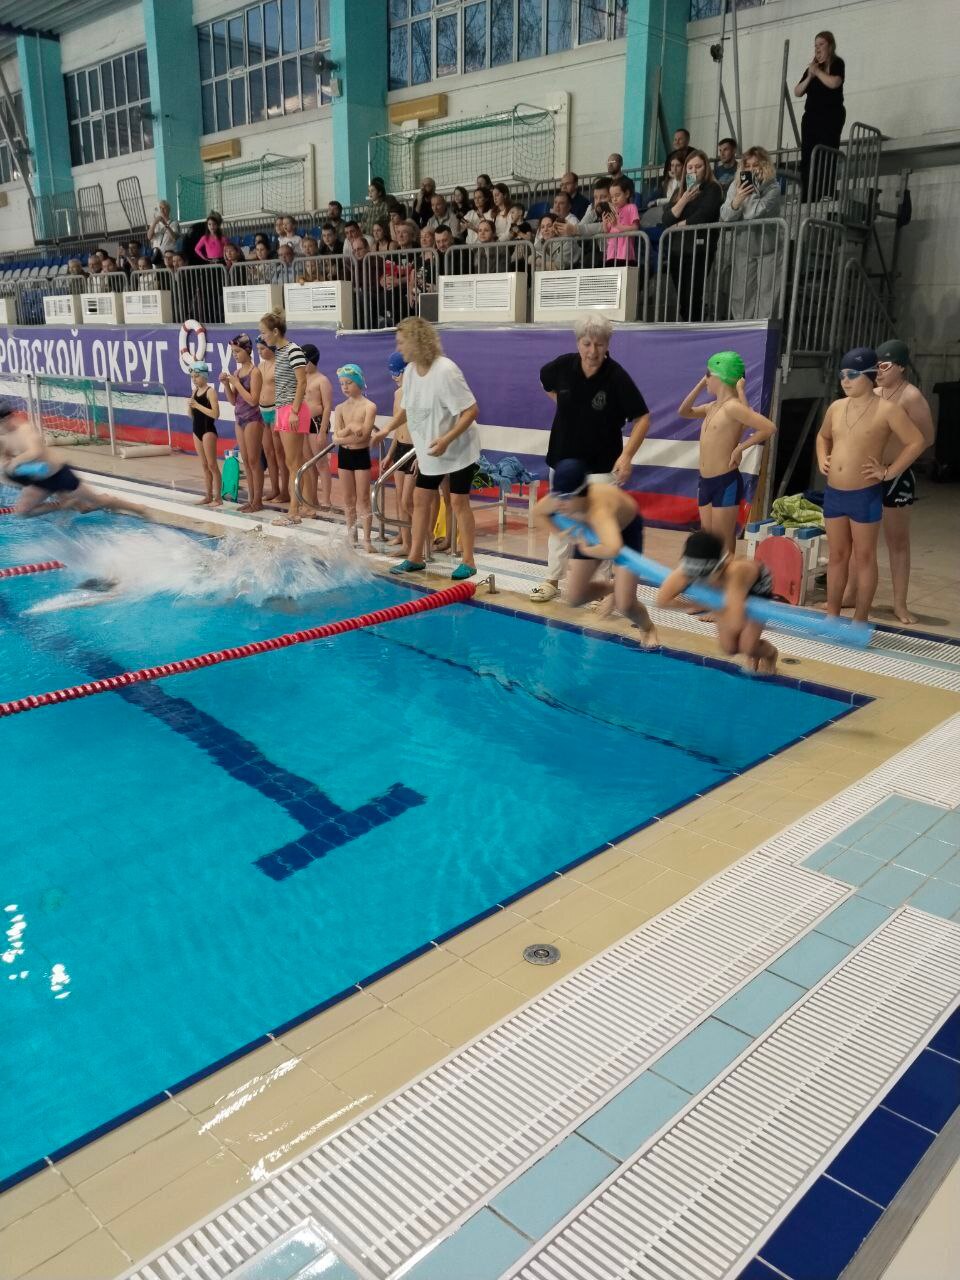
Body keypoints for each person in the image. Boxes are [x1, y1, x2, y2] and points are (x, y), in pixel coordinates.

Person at [530, 313, 651, 603]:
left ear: (608, 345)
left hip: (601, 464)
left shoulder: (616, 376)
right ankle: (552, 579)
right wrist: (568, 406)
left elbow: (643, 417)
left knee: (600, 525)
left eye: (599, 345)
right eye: (587, 344)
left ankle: (601, 585)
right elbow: (545, 382)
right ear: (578, 343)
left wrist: (627, 456)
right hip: (563, 461)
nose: (593, 351)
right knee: (561, 519)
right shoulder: (563, 366)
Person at [815, 347, 925, 622]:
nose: (845, 381)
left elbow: (916, 442)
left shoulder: (887, 410)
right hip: (834, 493)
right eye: (842, 375)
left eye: (852, 375)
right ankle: (832, 615)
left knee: (864, 557)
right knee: (837, 556)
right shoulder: (836, 407)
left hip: (864, 494)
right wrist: (822, 457)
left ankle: (860, 618)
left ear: (870, 375)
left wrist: (889, 472)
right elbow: (822, 436)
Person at [372, 317, 480, 581]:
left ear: (417, 342)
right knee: (420, 500)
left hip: (459, 448)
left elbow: (470, 411)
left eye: (401, 342)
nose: (398, 348)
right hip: (430, 449)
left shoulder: (446, 370)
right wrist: (387, 429)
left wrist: (447, 439)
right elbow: (407, 408)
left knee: (458, 501)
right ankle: (415, 557)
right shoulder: (410, 371)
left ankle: (468, 560)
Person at [533, 459, 657, 644]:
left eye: (566, 498)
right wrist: (562, 533)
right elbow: (537, 513)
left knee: (626, 604)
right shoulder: (559, 499)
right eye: (557, 496)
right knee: (575, 597)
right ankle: (615, 587)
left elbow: (613, 548)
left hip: (625, 531)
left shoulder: (599, 510)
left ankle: (648, 628)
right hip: (589, 531)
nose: (559, 504)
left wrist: (585, 548)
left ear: (582, 494)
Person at [678, 351, 776, 556]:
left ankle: (728, 575)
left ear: (720, 377)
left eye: (708, 374)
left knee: (723, 543)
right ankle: (714, 575)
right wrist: (701, 383)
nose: (705, 379)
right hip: (705, 482)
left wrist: (740, 447)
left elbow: (769, 427)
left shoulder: (733, 407)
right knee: (708, 540)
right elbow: (684, 412)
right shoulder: (711, 407)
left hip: (724, 481)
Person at [872, 340, 936, 623]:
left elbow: (927, 439)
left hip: (896, 475)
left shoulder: (911, 396)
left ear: (900, 367)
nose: (878, 371)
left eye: (884, 366)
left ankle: (899, 604)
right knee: (860, 540)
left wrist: (896, 466)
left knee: (897, 542)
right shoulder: (874, 393)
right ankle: (851, 593)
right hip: (870, 473)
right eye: (876, 366)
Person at [0, 401, 148, 518]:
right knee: (23, 512)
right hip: (39, 481)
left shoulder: (25, 429)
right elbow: (5, 455)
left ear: (6, 419)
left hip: (59, 475)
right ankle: (65, 504)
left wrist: (15, 462)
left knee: (96, 502)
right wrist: (6, 463)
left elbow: (35, 451)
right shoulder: (4, 435)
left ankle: (138, 508)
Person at [657, 530, 778, 673]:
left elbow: (736, 623)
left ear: (720, 566)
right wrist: (698, 604)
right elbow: (662, 600)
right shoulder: (688, 568)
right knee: (729, 648)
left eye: (704, 575)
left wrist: (719, 609)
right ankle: (754, 651)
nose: (698, 579)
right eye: (694, 575)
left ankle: (770, 654)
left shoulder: (736, 572)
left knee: (747, 646)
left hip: (756, 589)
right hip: (727, 592)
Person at [719, 145, 783, 321]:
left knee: (767, 296)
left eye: (756, 165)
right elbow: (725, 216)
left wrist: (749, 192)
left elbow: (753, 213)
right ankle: (742, 331)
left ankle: (763, 333)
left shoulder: (773, 187)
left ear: (764, 166)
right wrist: (736, 201)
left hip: (770, 249)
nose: (751, 169)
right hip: (744, 248)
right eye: (747, 166)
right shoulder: (735, 186)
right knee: (741, 295)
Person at [661, 150, 723, 321]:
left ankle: (695, 327)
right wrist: (684, 200)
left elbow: (704, 215)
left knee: (693, 296)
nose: (694, 171)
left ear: (706, 168)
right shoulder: (679, 191)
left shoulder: (713, 188)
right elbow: (666, 219)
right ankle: (687, 326)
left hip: (700, 249)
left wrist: (678, 225)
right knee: (682, 298)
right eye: (690, 167)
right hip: (677, 250)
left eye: (698, 166)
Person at [259, 309, 308, 526]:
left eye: (264, 332)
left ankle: (294, 512)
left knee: (294, 463)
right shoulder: (280, 352)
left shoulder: (293, 350)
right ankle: (296, 508)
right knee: (290, 462)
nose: (262, 336)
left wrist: (294, 411)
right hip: (283, 409)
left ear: (276, 332)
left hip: (292, 410)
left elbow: (302, 382)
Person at [794, 30, 846, 200]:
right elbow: (797, 91)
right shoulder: (812, 69)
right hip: (812, 117)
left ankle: (826, 192)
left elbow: (835, 82)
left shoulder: (837, 63)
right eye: (815, 45)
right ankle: (807, 195)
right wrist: (810, 75)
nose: (817, 48)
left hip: (830, 115)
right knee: (808, 156)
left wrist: (818, 73)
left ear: (830, 46)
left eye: (821, 44)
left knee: (827, 154)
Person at [331, 363, 376, 552]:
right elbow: (335, 438)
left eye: (349, 383)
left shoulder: (369, 407)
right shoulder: (340, 408)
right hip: (344, 456)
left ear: (358, 382)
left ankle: (367, 540)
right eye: (342, 384)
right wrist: (350, 428)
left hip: (360, 455)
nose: (345, 387)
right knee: (348, 499)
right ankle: (352, 537)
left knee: (363, 499)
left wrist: (342, 436)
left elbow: (364, 437)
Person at [219, 334, 264, 512]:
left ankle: (258, 501)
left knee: (254, 461)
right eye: (233, 352)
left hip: (253, 420)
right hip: (239, 419)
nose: (235, 355)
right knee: (246, 460)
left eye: (237, 351)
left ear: (247, 350)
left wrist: (236, 384)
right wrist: (226, 384)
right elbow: (233, 401)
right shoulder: (237, 373)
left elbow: (253, 400)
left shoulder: (255, 372)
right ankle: (251, 500)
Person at [383, 350, 416, 557]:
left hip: (413, 450)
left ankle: (416, 541)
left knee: (407, 500)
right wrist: (390, 453)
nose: (394, 378)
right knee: (399, 498)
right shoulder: (397, 394)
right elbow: (397, 427)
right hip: (400, 448)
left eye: (397, 373)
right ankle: (403, 537)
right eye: (392, 374)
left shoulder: (414, 392)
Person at [300, 342, 333, 513]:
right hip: (303, 423)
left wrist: (322, 432)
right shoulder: (302, 379)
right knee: (308, 463)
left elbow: (327, 407)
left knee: (321, 463)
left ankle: (326, 501)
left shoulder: (322, 380)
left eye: (304, 361)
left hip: (317, 423)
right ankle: (312, 499)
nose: (302, 365)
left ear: (312, 360)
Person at [256, 335, 286, 504]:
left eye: (262, 348)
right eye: (258, 349)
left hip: (276, 411)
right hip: (263, 411)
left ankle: (285, 491)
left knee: (280, 454)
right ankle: (275, 489)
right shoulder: (261, 366)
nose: (259, 352)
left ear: (272, 348)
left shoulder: (280, 365)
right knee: (269, 453)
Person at [187, 361, 221, 506]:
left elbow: (215, 414)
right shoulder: (194, 392)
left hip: (208, 431)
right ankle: (208, 496)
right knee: (204, 465)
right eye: (192, 377)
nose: (194, 379)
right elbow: (191, 415)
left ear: (204, 376)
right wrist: (190, 406)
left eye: (196, 376)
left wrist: (197, 405)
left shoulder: (210, 391)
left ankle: (218, 498)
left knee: (212, 465)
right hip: (196, 430)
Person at [601, 177, 641, 267]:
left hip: (625, 253)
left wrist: (617, 225)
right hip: (611, 253)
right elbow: (606, 231)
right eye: (612, 197)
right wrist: (604, 223)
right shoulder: (613, 210)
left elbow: (635, 228)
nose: (614, 199)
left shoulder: (632, 207)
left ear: (626, 194)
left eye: (617, 195)